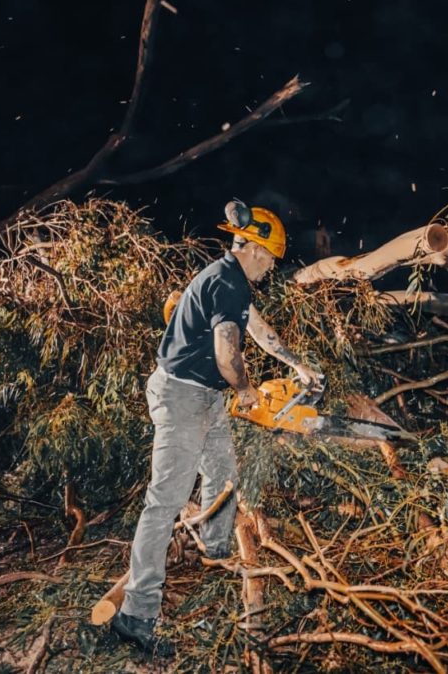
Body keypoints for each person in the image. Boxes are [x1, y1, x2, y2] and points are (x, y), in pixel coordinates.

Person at [111, 201, 318, 652]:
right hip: (182, 396)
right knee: (163, 503)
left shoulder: (232, 281)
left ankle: (216, 548)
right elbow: (228, 355)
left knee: (223, 472)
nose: (270, 269)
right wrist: (245, 390)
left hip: (204, 395)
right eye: (271, 260)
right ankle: (135, 614)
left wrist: (296, 364)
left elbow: (256, 329)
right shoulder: (227, 283)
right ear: (257, 251)